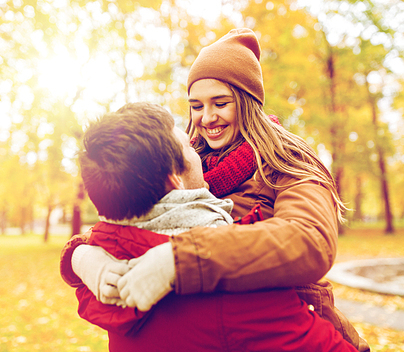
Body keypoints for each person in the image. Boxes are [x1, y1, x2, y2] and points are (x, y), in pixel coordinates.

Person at [62, 29, 370, 351]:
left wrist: (180, 260)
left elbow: (311, 241)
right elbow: (134, 218)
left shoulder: (287, 157)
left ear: (247, 101)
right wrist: (81, 255)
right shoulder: (184, 159)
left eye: (220, 103)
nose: (207, 118)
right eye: (196, 106)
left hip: (295, 328)